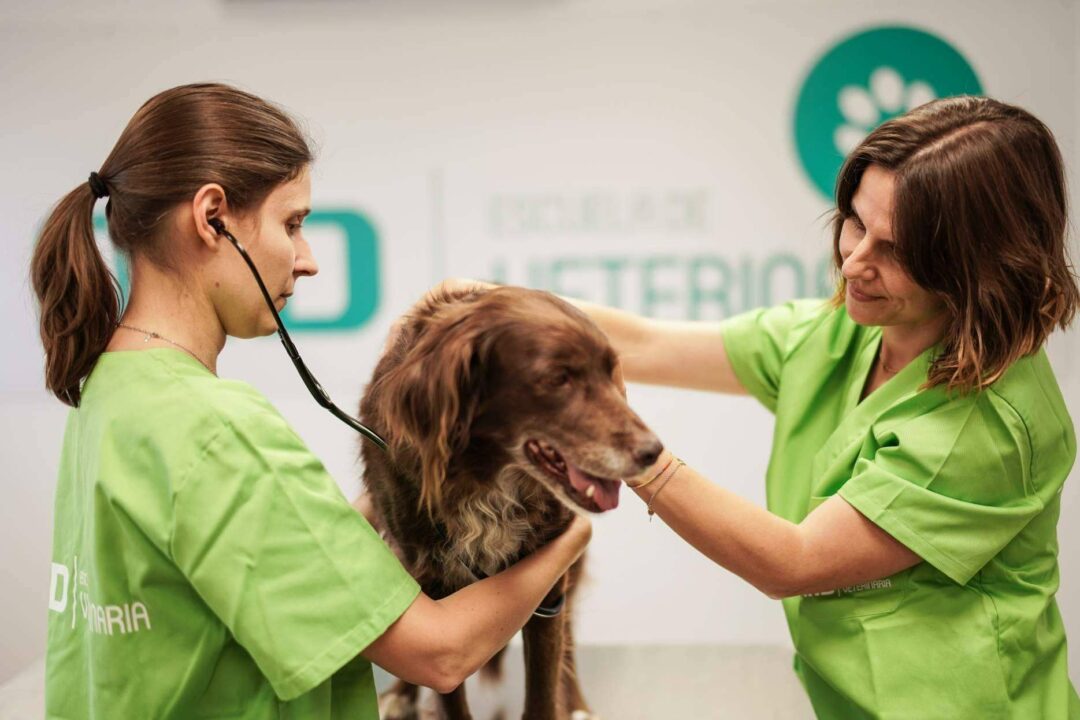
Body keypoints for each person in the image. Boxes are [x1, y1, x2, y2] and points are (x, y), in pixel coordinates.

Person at [444, 96, 1080, 718]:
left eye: (899, 250)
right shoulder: (840, 333)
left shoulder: (989, 426)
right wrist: (485, 304)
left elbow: (794, 562)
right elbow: (646, 343)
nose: (855, 264)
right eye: (857, 223)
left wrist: (623, 449)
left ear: (977, 268)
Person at [32, 82, 591, 719]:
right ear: (212, 217)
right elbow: (441, 655)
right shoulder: (220, 431)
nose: (308, 260)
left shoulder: (111, 392)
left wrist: (378, 506)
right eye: (292, 224)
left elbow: (229, 569)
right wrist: (568, 532)